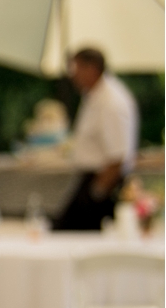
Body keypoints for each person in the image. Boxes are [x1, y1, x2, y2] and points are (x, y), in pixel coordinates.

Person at [54, 47, 138, 232]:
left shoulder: (111, 102)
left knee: (70, 235)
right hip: (91, 179)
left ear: (91, 69)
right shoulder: (94, 96)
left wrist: (95, 194)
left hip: (102, 181)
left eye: (76, 68)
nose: (72, 75)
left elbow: (117, 156)